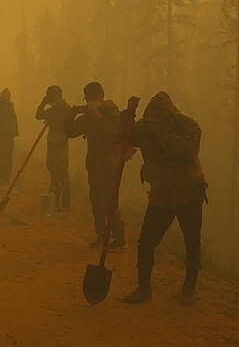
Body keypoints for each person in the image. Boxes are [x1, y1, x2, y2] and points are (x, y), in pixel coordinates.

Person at [122, 91, 208, 305]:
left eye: (159, 120)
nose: (154, 124)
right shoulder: (145, 127)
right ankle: (144, 288)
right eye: (152, 120)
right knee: (146, 243)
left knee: (192, 243)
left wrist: (162, 133)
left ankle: (188, 291)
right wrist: (127, 116)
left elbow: (186, 150)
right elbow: (122, 137)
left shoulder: (189, 126)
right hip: (161, 194)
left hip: (188, 193)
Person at [65, 82, 126, 250]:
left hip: (109, 164)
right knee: (96, 202)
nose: (90, 102)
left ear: (101, 97)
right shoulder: (88, 116)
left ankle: (118, 237)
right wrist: (70, 116)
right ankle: (101, 234)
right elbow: (70, 132)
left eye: (93, 99)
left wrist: (98, 117)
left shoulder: (112, 112)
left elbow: (113, 132)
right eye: (88, 100)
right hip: (94, 164)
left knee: (109, 202)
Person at [36, 85, 72, 211]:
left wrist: (52, 117)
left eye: (54, 95)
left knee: (62, 171)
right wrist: (43, 103)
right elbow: (39, 115)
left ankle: (65, 203)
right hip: (51, 142)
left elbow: (66, 124)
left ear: (59, 95)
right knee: (52, 169)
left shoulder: (67, 109)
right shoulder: (52, 109)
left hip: (61, 143)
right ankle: (54, 199)